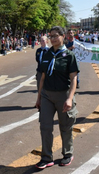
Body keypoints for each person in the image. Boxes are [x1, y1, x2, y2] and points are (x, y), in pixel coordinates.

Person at [35, 26, 79, 169]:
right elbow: (42, 78)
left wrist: (69, 98)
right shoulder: (46, 54)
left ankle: (67, 154)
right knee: (45, 126)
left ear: (63, 36)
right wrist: (39, 97)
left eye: (55, 36)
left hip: (63, 95)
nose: (53, 38)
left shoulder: (69, 55)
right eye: (51, 36)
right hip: (47, 95)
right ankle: (46, 157)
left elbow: (73, 79)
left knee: (65, 126)